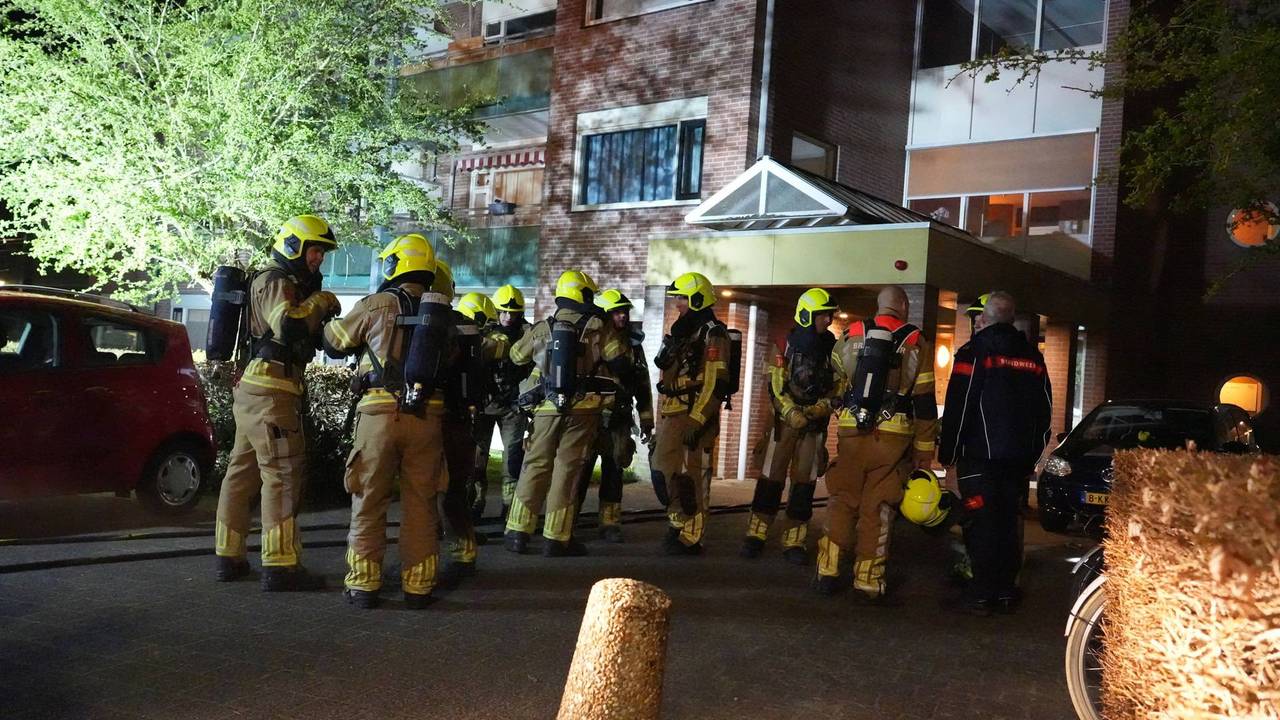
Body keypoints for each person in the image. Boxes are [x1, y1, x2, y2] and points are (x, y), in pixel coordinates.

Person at [214, 214, 340, 591]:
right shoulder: (275, 279)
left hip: (258, 388)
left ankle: (228, 555)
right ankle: (281, 564)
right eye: (314, 250)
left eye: (321, 253)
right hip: (273, 389)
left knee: (242, 474)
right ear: (294, 246)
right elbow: (289, 324)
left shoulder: (278, 280)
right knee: (283, 475)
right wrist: (322, 301)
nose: (318, 259)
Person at [321, 233, 445, 609]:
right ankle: (418, 587)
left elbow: (334, 341)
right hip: (428, 417)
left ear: (396, 265)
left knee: (368, 499)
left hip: (378, 415)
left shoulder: (376, 305)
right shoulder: (442, 314)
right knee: (422, 503)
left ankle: (363, 585)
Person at [814, 286, 938, 601]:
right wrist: (925, 450)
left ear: (879, 306)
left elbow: (837, 377)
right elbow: (924, 398)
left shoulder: (851, 333)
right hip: (893, 435)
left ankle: (827, 570)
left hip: (851, 429)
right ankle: (868, 580)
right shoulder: (916, 341)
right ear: (904, 307)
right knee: (878, 506)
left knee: (842, 499)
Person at [939, 290, 1051, 616]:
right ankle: (1005, 590)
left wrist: (949, 452)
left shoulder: (974, 353)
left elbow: (960, 407)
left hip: (979, 460)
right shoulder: (1034, 357)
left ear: (985, 318)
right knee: (1007, 524)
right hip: (1017, 463)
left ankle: (982, 593)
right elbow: (1044, 412)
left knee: (981, 523)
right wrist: (1032, 454)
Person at [503, 270, 629, 556]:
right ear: (582, 294)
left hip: (545, 409)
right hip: (583, 410)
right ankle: (556, 538)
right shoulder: (599, 325)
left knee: (535, 466)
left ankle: (517, 533)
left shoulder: (543, 327)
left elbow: (515, 356)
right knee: (567, 469)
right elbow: (619, 360)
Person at [742, 288, 840, 564]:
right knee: (770, 479)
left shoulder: (832, 348)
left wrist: (824, 405)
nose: (828, 321)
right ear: (808, 315)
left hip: (814, 426)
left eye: (829, 315)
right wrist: (789, 411)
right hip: (784, 424)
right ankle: (756, 533)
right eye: (823, 315)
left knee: (804, 485)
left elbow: (840, 383)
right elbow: (774, 385)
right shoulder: (784, 344)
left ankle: (794, 541)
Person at [651, 272, 732, 556]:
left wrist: (699, 418)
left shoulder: (714, 333)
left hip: (695, 413)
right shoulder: (681, 330)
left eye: (682, 298)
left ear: (697, 299)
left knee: (693, 477)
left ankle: (690, 535)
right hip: (673, 412)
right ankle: (677, 521)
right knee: (662, 470)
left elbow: (716, 382)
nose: (677, 304)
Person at [439, 288, 510, 581]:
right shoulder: (475, 340)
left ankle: (453, 544)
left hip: (439, 418)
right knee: (455, 485)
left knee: (439, 486)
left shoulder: (442, 330)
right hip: (458, 418)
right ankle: (463, 547)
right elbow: (499, 347)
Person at [575, 289, 654, 543]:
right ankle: (568, 519)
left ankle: (610, 522)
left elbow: (642, 384)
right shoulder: (592, 344)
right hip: (591, 415)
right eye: (616, 312)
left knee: (614, 468)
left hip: (618, 416)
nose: (622, 316)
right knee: (580, 468)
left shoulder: (633, 346)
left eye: (625, 312)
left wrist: (647, 419)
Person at [471, 284, 531, 522]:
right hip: (484, 405)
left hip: (512, 407)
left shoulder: (528, 334)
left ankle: (509, 507)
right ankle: (475, 502)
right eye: (503, 311)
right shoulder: (483, 332)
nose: (508, 316)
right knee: (477, 457)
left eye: (513, 312)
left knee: (513, 458)